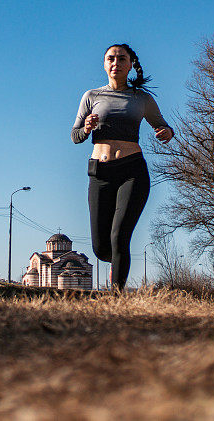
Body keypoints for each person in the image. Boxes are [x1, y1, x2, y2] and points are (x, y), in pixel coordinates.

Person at [71, 43, 174, 292]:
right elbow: (75, 136)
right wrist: (86, 127)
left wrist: (167, 132)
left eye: (121, 58)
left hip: (132, 172)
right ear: (105, 64)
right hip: (100, 173)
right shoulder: (92, 96)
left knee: (119, 237)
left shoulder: (142, 99)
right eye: (110, 58)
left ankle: (116, 295)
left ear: (130, 64)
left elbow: (163, 125)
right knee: (100, 247)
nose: (115, 62)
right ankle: (115, 260)